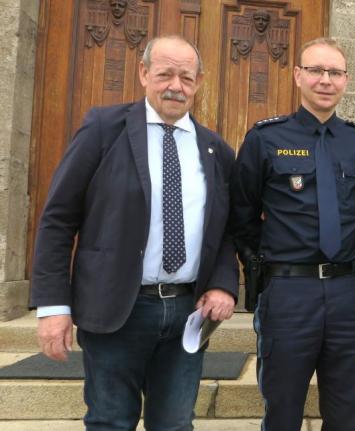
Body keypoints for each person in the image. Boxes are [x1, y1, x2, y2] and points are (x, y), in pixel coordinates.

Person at [31, 35, 238, 430]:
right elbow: (58, 218)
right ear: (143, 73)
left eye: (186, 77)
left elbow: (226, 229)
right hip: (116, 309)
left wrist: (223, 284)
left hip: (186, 313)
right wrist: (53, 306)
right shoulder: (103, 129)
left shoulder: (216, 150)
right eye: (165, 75)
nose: (176, 86)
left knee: (175, 424)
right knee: (110, 421)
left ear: (199, 82)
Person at [229, 37, 355, 431]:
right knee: (283, 410)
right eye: (315, 70)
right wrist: (262, 266)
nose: (325, 80)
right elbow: (241, 214)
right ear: (297, 75)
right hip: (288, 292)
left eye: (335, 72)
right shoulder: (265, 138)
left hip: (346, 292)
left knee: (348, 414)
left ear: (345, 80)